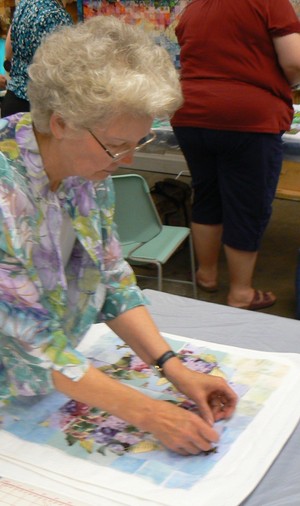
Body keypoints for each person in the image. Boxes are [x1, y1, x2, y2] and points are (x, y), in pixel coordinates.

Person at [0, 16, 237, 456]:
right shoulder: (5, 193)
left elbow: (109, 276)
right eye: (116, 145)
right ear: (61, 122)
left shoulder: (87, 170)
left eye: (139, 141)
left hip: (52, 382)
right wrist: (151, 414)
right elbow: (29, 342)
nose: (126, 159)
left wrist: (173, 368)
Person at [171, 0, 300, 310]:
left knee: (207, 193)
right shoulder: (270, 3)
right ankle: (241, 292)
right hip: (247, 118)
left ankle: (207, 275)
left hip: (190, 113)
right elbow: (295, 61)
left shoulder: (195, 7)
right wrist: (288, 85)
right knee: (248, 204)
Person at [0, 0, 73, 118]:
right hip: (39, 108)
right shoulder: (58, 17)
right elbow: (62, 74)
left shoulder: (25, 4)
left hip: (12, 101)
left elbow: (8, 53)